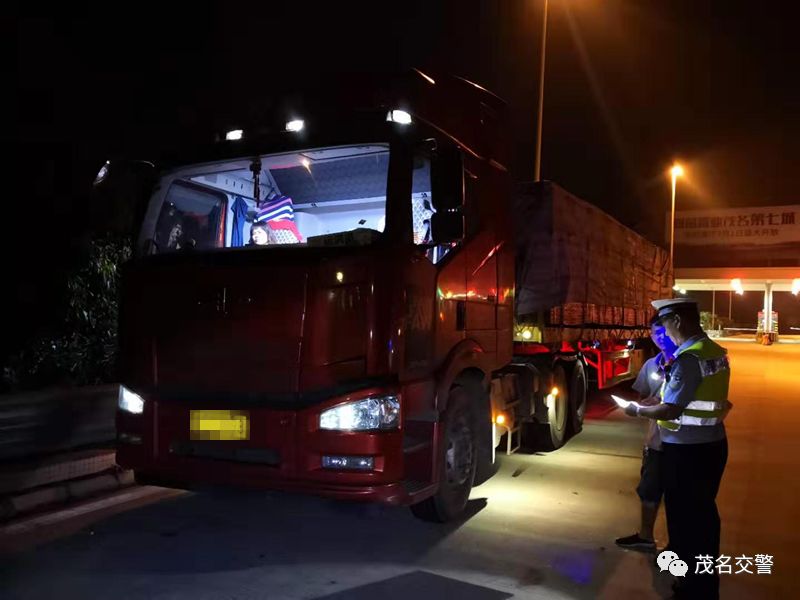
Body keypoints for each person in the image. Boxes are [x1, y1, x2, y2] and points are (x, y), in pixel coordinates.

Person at [623, 298, 731, 600]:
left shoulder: (688, 359)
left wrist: (637, 411)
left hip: (688, 451)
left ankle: (693, 588)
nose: (664, 333)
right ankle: (703, 584)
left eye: (665, 324)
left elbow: (670, 409)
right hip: (711, 444)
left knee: (686, 522)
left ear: (678, 321)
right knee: (704, 520)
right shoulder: (714, 351)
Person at [615, 317, 677, 552]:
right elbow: (643, 397)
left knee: (677, 495)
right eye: (654, 333)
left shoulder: (685, 363)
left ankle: (677, 544)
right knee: (649, 490)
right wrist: (646, 404)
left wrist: (651, 405)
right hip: (655, 441)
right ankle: (645, 536)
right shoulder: (652, 364)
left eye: (663, 332)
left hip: (680, 443)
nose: (659, 337)